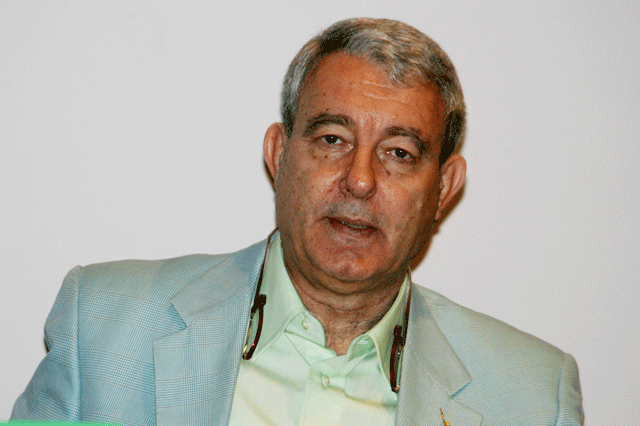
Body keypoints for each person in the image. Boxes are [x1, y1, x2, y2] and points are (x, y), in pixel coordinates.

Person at [11, 18, 584, 425]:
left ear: (444, 188)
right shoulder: (104, 325)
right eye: (333, 139)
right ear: (279, 155)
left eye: (399, 153)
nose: (360, 180)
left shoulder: (533, 398)